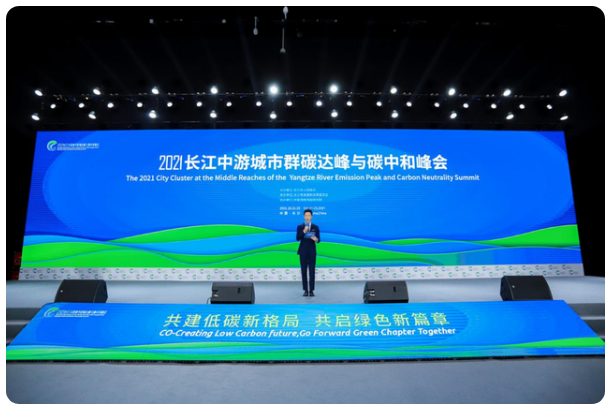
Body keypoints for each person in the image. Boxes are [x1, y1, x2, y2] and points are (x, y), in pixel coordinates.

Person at [296, 209, 320, 296]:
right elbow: (297, 238)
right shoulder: (300, 227)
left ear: (311, 216)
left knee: (312, 271)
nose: (307, 217)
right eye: (306, 215)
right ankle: (305, 290)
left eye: (309, 215)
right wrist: (304, 231)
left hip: (312, 252)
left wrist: (316, 239)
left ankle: (311, 290)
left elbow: (319, 240)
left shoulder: (315, 227)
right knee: (304, 271)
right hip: (303, 252)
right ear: (303, 216)